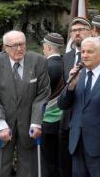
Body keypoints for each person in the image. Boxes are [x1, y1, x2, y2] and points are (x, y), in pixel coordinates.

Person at [0, 30, 50, 177]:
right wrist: (0, 123)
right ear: (5, 47)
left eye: (22, 44)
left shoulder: (39, 61)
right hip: (2, 126)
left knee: (29, 172)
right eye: (14, 46)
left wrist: (36, 121)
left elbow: (43, 94)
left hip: (30, 127)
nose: (19, 49)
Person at [58, 37, 100, 177]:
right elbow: (62, 105)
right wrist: (71, 85)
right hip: (77, 143)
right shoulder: (78, 74)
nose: (84, 55)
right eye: (83, 51)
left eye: (90, 52)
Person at [59, 17, 92, 177]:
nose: (77, 33)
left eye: (81, 29)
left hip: (89, 123)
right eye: (73, 31)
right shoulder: (66, 58)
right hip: (67, 121)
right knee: (67, 167)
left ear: (91, 32)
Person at [41, 32, 65, 177]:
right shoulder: (67, 63)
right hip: (64, 121)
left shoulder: (46, 67)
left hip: (47, 120)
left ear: (49, 47)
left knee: (47, 163)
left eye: (43, 47)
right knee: (60, 162)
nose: (43, 50)